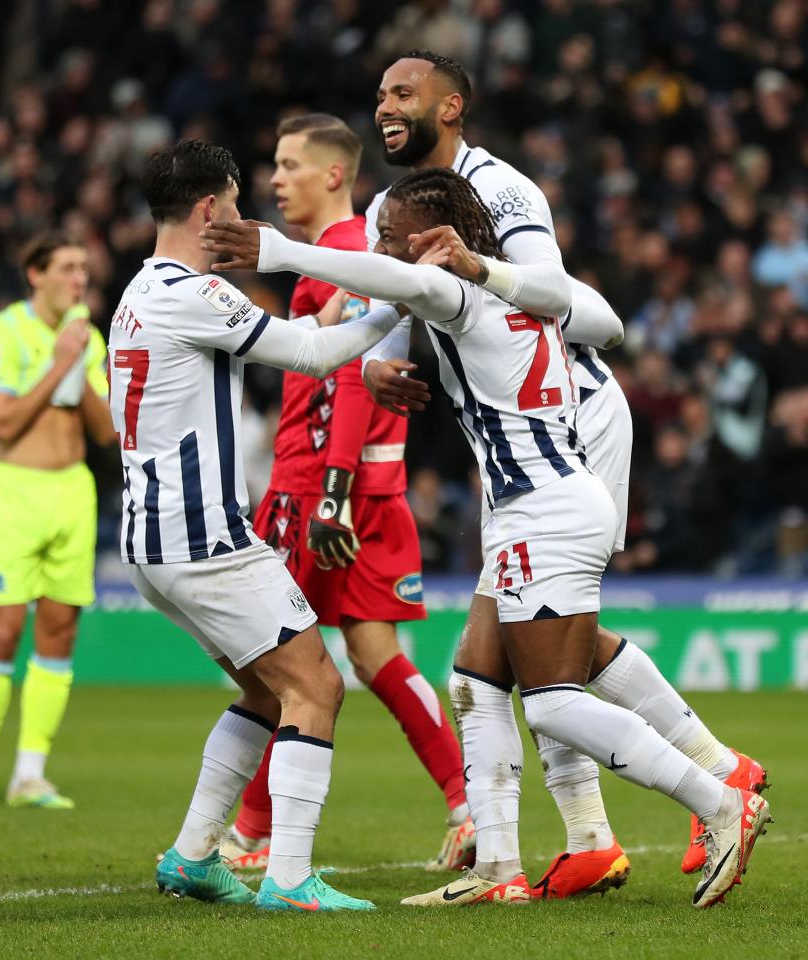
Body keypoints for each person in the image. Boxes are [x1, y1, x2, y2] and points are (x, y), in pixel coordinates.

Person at [200, 167, 773, 911]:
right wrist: (376, 360)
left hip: (545, 509)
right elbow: (595, 318)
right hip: (539, 504)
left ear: (431, 241)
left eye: (389, 235)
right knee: (474, 678)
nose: (378, 247)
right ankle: (498, 866)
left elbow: (395, 282)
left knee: (553, 704)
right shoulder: (529, 290)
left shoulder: (458, 293)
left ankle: (719, 799)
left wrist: (276, 251)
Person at [361, 50, 768, 897]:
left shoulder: (503, 191)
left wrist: (471, 281)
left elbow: (555, 295)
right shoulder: (390, 209)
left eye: (403, 93)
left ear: (452, 105)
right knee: (500, 663)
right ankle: (584, 838)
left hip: (568, 415)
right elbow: (392, 306)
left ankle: (711, 780)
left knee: (547, 650)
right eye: (380, 95)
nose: (385, 107)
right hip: (505, 437)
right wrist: (376, 362)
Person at [115, 139, 408, 912]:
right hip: (202, 538)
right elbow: (310, 354)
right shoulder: (196, 293)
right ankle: (290, 877)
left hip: (152, 541)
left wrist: (340, 314)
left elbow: (291, 338)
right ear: (209, 208)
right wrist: (397, 304)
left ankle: (191, 856)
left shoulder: (138, 292)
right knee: (317, 685)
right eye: (238, 203)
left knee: (266, 691)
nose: (246, 216)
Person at [220, 113, 472, 875]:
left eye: (289, 164)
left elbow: (355, 386)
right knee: (372, 656)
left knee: (277, 663)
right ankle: (468, 808)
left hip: (319, 490)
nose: (274, 178)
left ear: (334, 174)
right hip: (368, 488)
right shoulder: (351, 253)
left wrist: (330, 494)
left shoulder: (346, 256)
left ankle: (249, 834)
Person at [0, 230, 115, 811]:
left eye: (83, 268)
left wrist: (82, 361)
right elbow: (1, 424)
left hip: (72, 490)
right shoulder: (0, 332)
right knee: (1, 631)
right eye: (67, 267)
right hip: (14, 492)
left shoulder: (88, 338)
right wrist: (60, 365)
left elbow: (106, 432)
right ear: (36, 274)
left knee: (59, 633)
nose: (79, 279)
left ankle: (30, 774)